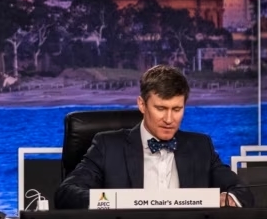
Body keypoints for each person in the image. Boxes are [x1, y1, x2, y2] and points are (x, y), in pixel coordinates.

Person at [55, 65, 253, 209]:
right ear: (142, 105)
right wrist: (112, 202)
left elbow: (242, 192)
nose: (169, 119)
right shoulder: (108, 146)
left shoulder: (201, 147)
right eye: (161, 108)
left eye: (177, 109)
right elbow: (67, 193)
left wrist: (228, 199)